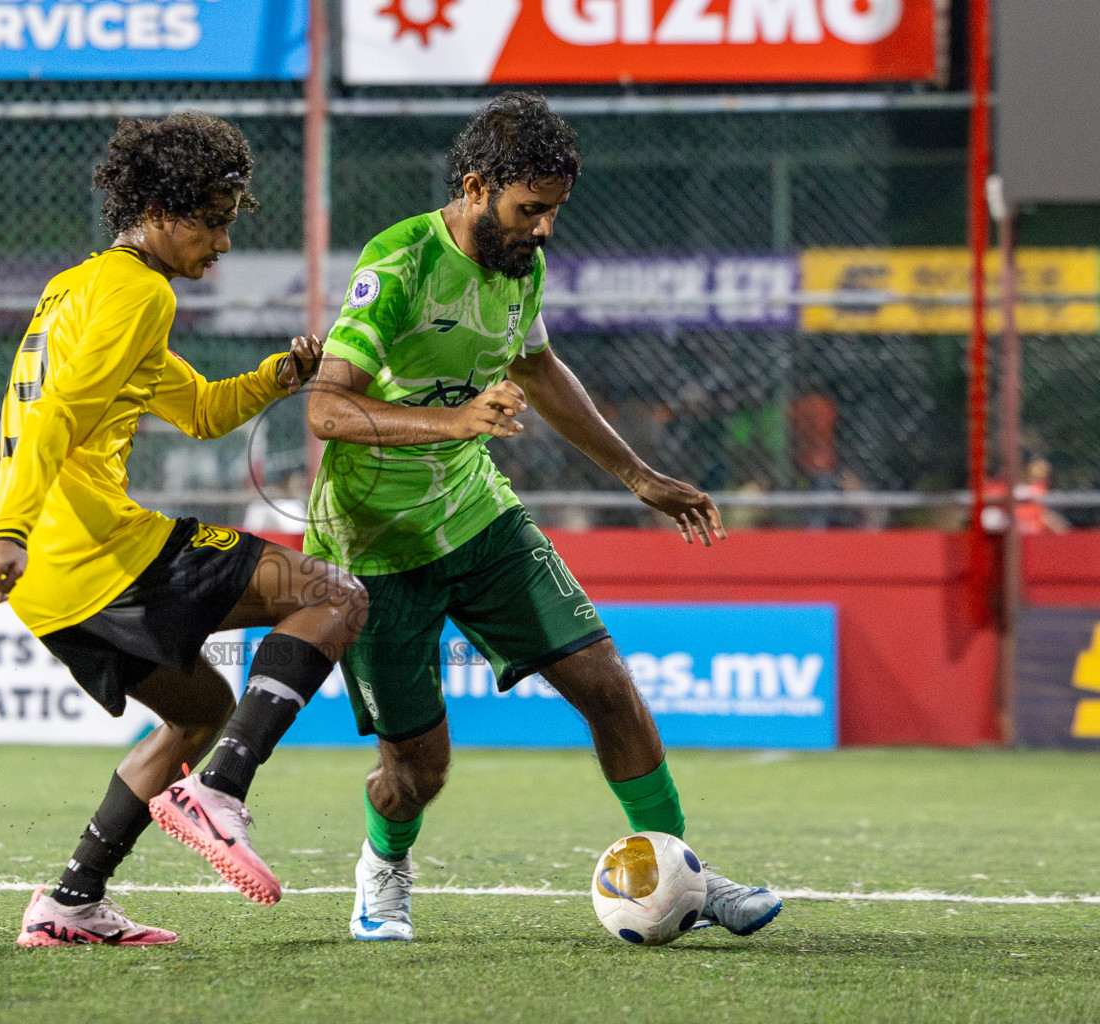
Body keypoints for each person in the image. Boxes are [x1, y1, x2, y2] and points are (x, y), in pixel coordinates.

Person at [304, 92, 781, 943]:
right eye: (531, 210)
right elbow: (327, 410)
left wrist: (636, 474)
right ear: (478, 185)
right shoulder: (400, 263)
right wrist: (453, 421)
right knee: (418, 773)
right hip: (374, 543)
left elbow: (539, 366)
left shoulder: (520, 264)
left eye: (555, 212)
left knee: (608, 687)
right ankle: (383, 866)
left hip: (477, 514)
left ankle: (682, 871)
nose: (545, 229)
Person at [0, 113, 366, 948]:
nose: (222, 241)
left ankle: (71, 902)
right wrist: (6, 527)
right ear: (162, 209)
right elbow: (54, 417)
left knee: (200, 709)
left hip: (52, 579)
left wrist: (280, 376)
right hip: (92, 548)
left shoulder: (81, 286)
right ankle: (220, 793)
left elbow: (200, 411)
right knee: (333, 594)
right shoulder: (139, 293)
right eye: (215, 219)